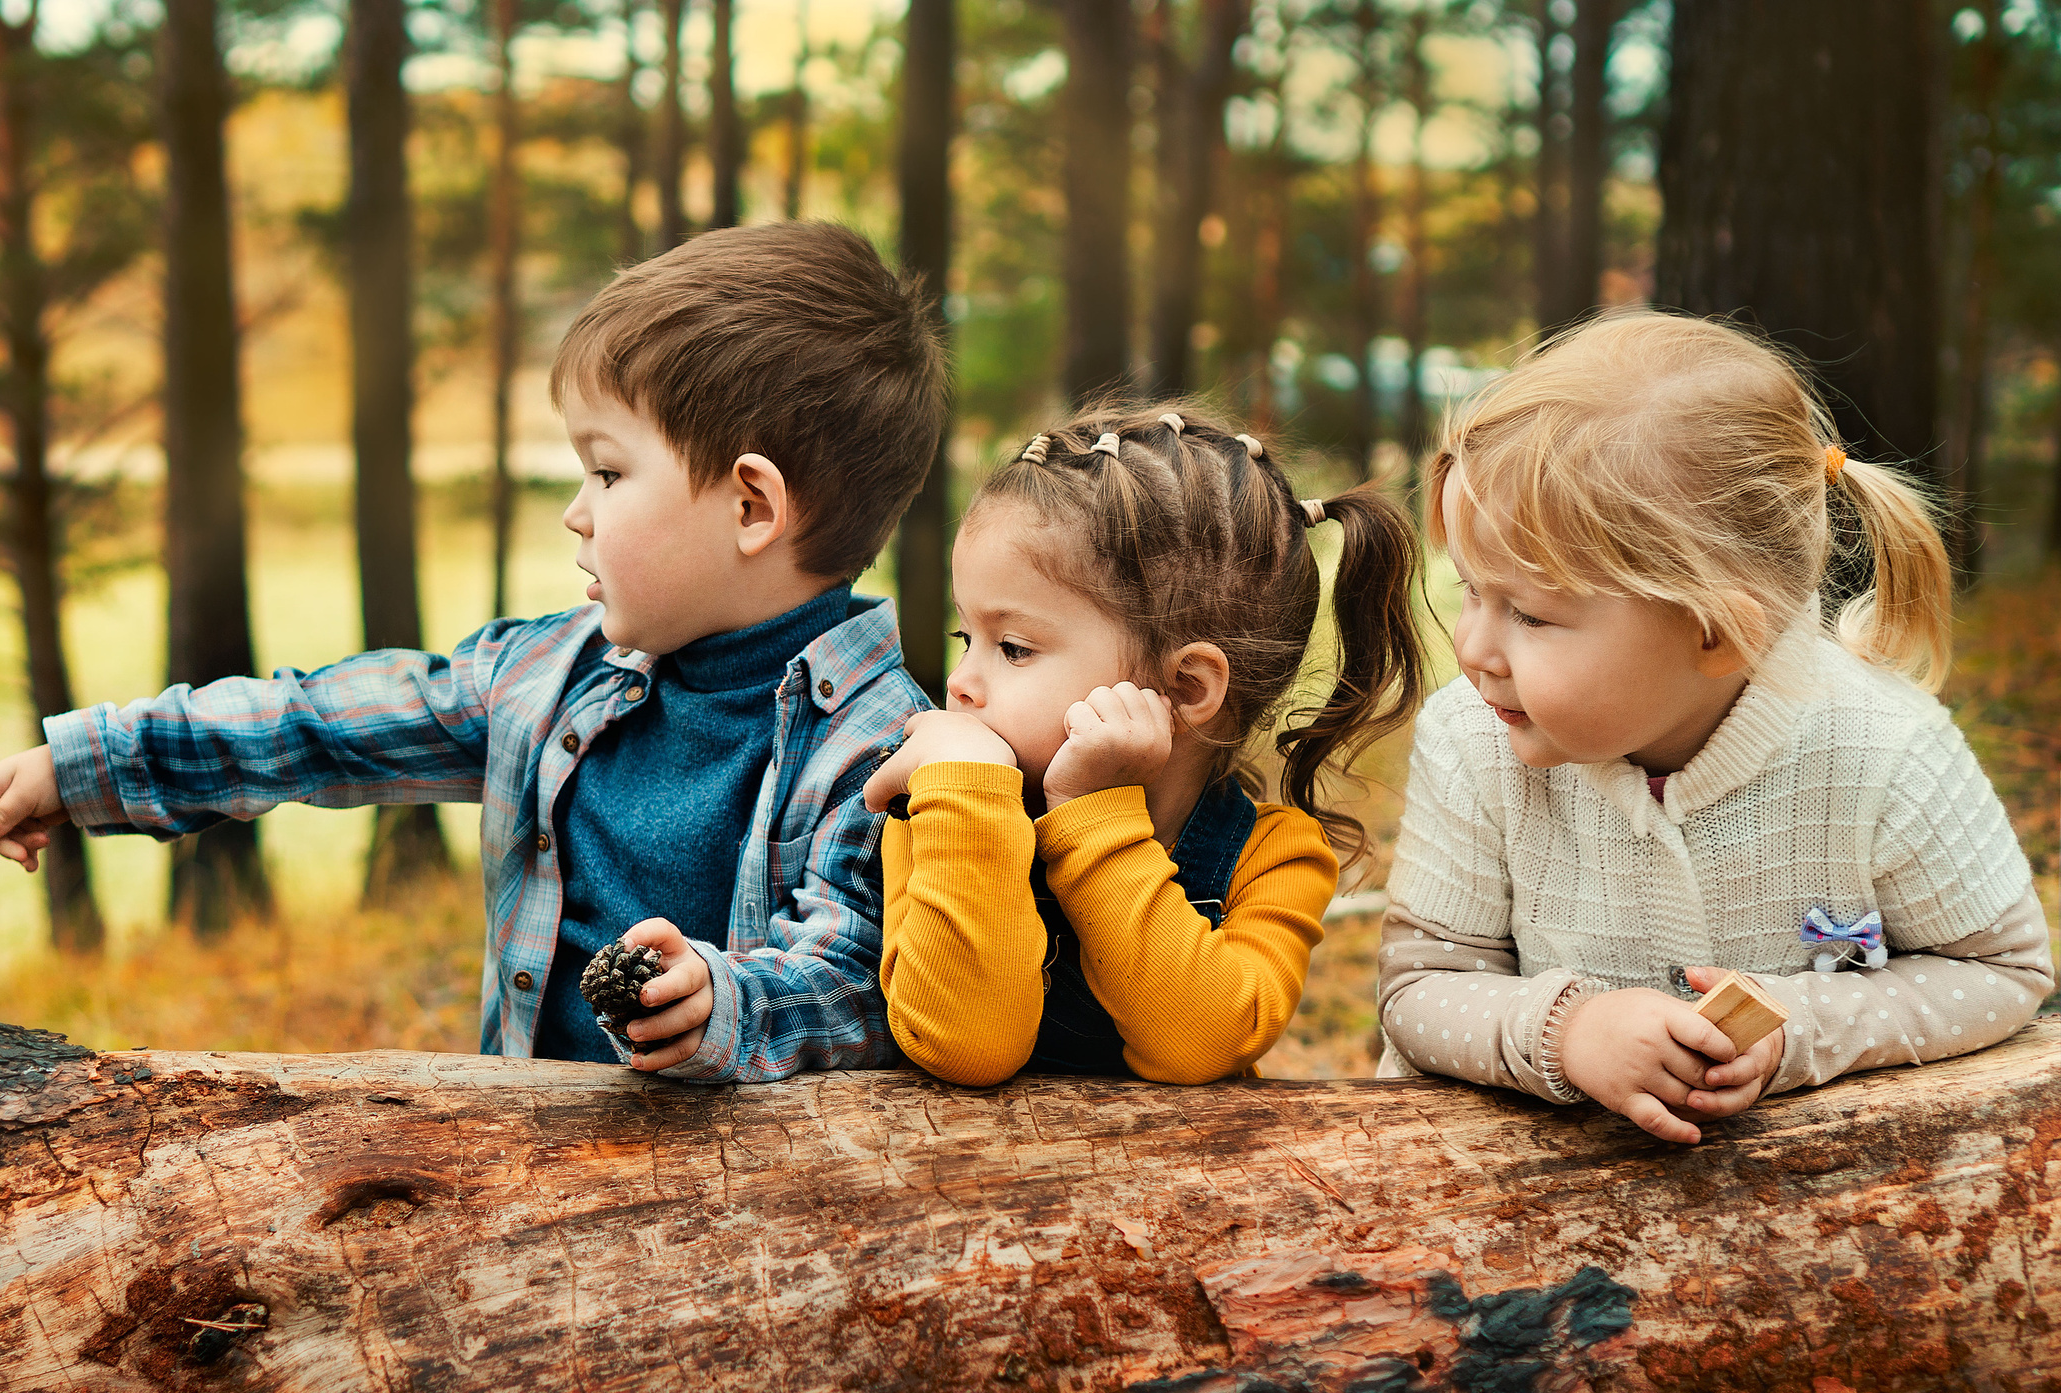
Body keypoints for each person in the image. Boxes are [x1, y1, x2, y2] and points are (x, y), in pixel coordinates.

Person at [0, 223, 945, 1082]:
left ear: (751, 504)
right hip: (516, 1172)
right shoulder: (547, 679)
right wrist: (84, 768)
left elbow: (860, 980)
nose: (577, 515)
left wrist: (722, 1003)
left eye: (609, 474)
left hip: (750, 1233)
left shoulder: (883, 751)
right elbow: (320, 727)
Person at [1382, 309, 2054, 1144]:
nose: (1475, 646)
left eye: (1530, 614)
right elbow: (1421, 986)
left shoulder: (1884, 751)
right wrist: (1566, 1030)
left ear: (1715, 634)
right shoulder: (1473, 740)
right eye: (1473, 591)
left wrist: (1796, 1026)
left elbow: (2000, 968)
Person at [860, 403, 1428, 1086]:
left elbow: (1199, 1044)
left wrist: (1093, 818)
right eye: (965, 639)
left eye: (1012, 647)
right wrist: (966, 796)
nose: (959, 684)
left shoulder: (1274, 861)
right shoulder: (948, 806)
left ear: (1187, 688)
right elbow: (967, 1045)